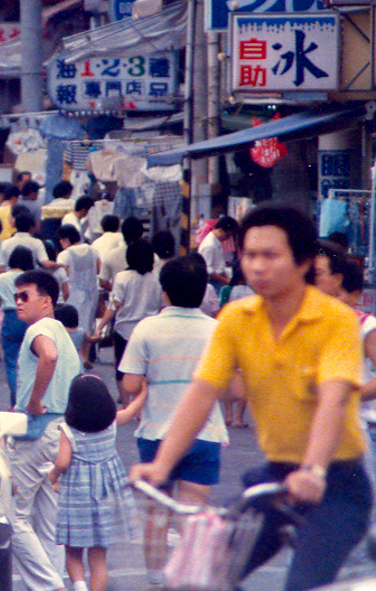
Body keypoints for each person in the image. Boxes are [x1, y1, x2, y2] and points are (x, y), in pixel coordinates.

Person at [132, 205, 372, 591]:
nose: (257, 265)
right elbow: (203, 392)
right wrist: (161, 464)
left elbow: (333, 399)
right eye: (249, 254)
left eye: (270, 255)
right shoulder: (235, 318)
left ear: (303, 261)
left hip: (334, 483)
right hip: (274, 477)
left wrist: (312, 470)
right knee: (200, 574)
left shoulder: (335, 320)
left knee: (303, 584)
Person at [119, 254, 227, 588]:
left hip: (156, 432)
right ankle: (190, 578)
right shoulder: (216, 330)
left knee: (156, 511)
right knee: (193, 513)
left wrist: (138, 396)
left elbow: (130, 384)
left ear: (164, 291)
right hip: (205, 432)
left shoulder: (147, 328)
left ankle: (156, 578)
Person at [10, 269, 82, 591]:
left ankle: (50, 587)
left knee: (12, 517)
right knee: (48, 521)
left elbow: (47, 356)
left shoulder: (39, 329)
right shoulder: (64, 335)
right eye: (15, 296)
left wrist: (34, 399)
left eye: (25, 296)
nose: (18, 302)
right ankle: (51, 583)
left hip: (35, 432)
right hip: (62, 431)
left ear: (46, 300)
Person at [49, 375, 136, 591]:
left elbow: (62, 461)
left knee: (72, 552)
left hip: (77, 496)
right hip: (105, 494)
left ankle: (80, 588)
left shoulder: (68, 430)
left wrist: (53, 476)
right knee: (98, 559)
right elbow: (130, 412)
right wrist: (143, 393)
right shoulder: (112, 422)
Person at [96, 240, 161, 390]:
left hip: (124, 331)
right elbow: (162, 307)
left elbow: (115, 305)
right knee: (145, 370)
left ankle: (126, 403)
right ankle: (141, 404)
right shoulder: (157, 279)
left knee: (122, 370)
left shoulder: (122, 277)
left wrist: (101, 326)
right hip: (149, 331)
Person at [0, 247, 36, 407]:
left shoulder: (1, 278)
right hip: (29, 318)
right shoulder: (31, 278)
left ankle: (16, 399)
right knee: (29, 360)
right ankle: (26, 397)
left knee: (11, 362)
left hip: (10, 317)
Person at [56, 224, 100, 367]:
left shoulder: (65, 254)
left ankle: (74, 356)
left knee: (71, 324)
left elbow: (62, 272)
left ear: (67, 239)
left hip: (74, 293)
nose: (61, 244)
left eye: (62, 241)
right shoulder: (93, 250)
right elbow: (99, 268)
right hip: (92, 291)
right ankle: (85, 357)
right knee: (87, 324)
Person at [198, 215, 238, 287]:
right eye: (227, 235)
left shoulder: (216, 241)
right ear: (221, 230)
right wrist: (226, 281)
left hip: (218, 280)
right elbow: (208, 270)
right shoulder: (210, 245)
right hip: (212, 282)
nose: (227, 239)